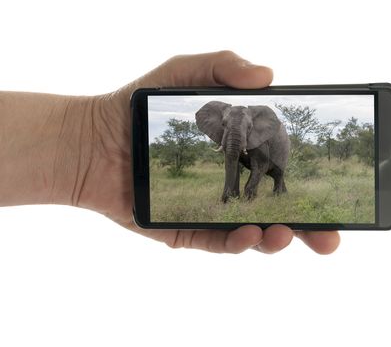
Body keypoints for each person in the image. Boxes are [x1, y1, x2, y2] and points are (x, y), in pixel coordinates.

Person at [0, 50, 340, 254]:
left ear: (256, 125)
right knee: (233, 171)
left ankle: (271, 190)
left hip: (268, 154)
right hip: (240, 138)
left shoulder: (269, 125)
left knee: (271, 175)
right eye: (226, 126)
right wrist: (87, 132)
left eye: (243, 127)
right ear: (217, 122)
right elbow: (233, 153)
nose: (233, 132)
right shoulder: (223, 119)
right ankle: (228, 197)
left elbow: (259, 162)